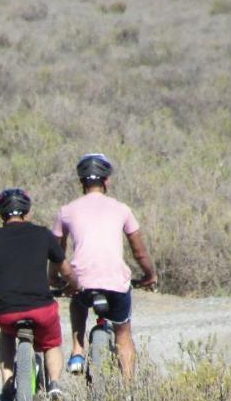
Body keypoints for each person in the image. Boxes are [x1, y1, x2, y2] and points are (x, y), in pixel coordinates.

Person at [52, 153, 158, 379]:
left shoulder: (67, 210)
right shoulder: (122, 209)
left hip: (82, 280)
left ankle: (77, 351)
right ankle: (129, 388)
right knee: (123, 334)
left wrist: (54, 279)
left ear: (81, 182)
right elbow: (139, 251)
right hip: (115, 280)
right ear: (106, 181)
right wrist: (150, 275)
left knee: (77, 299)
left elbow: (57, 253)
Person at [0, 188, 78, 401]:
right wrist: (74, 286)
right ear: (27, 213)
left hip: (6, 311)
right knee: (51, 343)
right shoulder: (42, 234)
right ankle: (55, 384)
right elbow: (66, 271)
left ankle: (8, 382)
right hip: (41, 309)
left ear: (1, 214)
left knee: (6, 334)